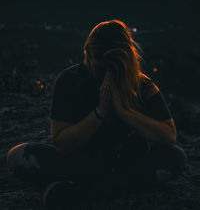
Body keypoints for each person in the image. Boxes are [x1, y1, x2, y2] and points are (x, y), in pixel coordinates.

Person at [7, 20, 188, 209]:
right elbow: (61, 143)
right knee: (16, 155)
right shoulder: (70, 80)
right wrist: (100, 111)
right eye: (101, 67)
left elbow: (169, 136)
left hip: (125, 161)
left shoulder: (142, 85)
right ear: (88, 54)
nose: (106, 73)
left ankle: (84, 191)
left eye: (114, 65)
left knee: (176, 158)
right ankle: (106, 187)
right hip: (81, 160)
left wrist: (124, 112)